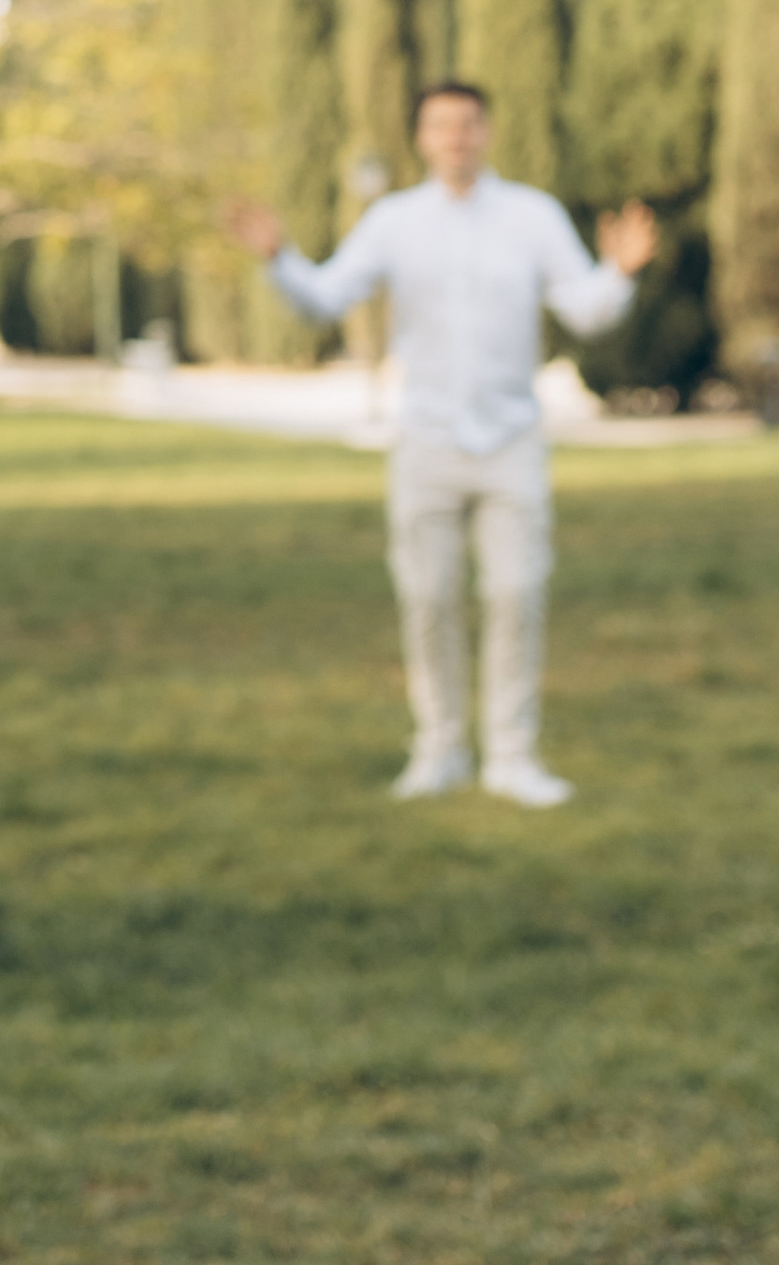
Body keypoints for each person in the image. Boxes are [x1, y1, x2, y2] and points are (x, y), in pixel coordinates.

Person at [226, 81, 655, 807]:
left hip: (512, 442)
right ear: (422, 138)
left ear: (486, 132)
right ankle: (440, 750)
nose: (455, 137)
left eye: (468, 124)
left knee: (516, 595)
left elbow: (585, 311)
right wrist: (280, 260)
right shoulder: (393, 222)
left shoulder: (532, 216)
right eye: (440, 126)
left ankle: (513, 757)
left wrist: (619, 274)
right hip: (424, 443)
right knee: (428, 600)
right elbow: (328, 297)